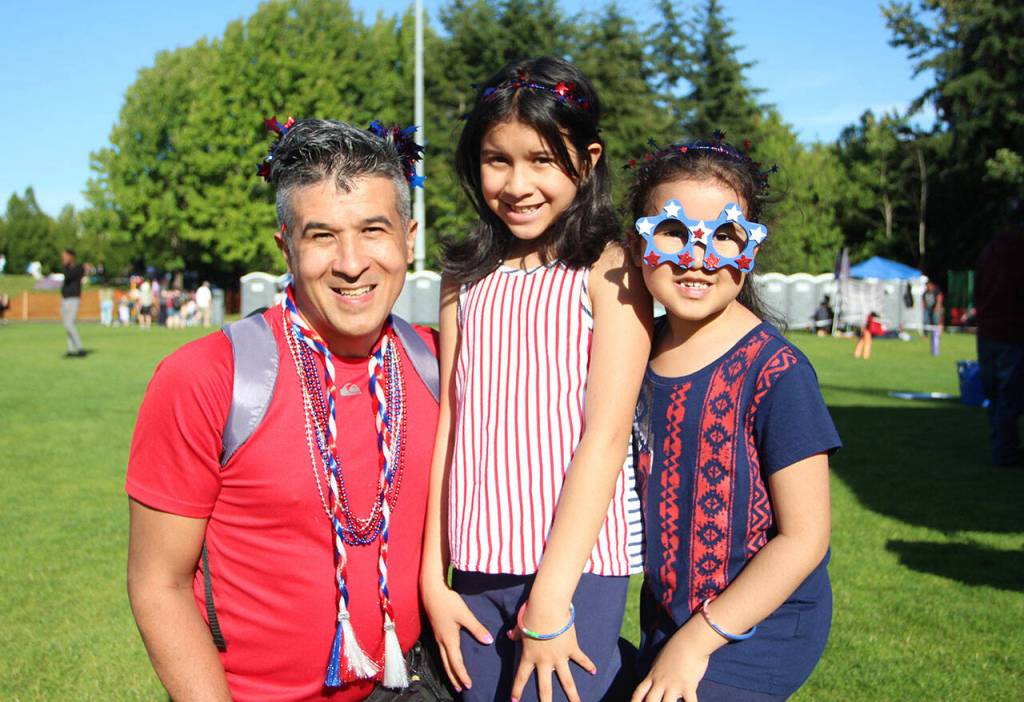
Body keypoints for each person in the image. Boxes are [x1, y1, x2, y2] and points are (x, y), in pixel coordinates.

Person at [126, 118, 450, 700]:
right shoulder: (205, 377)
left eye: (373, 230)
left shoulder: (440, 361)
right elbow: (159, 584)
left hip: (410, 682)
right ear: (285, 244)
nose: (351, 263)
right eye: (321, 236)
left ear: (409, 237)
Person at [420, 56, 651, 702]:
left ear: (588, 158)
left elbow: (605, 438)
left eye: (542, 160)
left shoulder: (613, 268)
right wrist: (433, 580)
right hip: (472, 566)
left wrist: (551, 597)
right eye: (498, 160)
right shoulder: (463, 275)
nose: (518, 183)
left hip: (575, 571)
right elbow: (451, 423)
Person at [624, 136, 841, 702]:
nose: (697, 257)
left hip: (757, 626)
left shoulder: (778, 371)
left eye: (723, 234)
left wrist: (697, 643)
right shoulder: (631, 357)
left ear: (752, 250)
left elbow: (805, 537)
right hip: (669, 621)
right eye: (673, 231)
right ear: (638, 241)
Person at [974, 210, 1024, 467]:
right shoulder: (1018, 251)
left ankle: (1001, 445)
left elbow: (978, 289)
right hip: (1012, 334)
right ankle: (1005, 450)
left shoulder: (989, 252)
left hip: (987, 331)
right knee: (1008, 397)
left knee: (996, 395)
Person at [60, 248, 86, 357]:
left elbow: (70, 276)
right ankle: (71, 350)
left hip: (73, 298)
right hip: (65, 299)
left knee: (69, 324)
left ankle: (80, 348)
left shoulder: (78, 268)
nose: (63, 259)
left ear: (71, 257)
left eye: (65, 256)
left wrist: (67, 265)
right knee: (68, 325)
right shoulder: (66, 268)